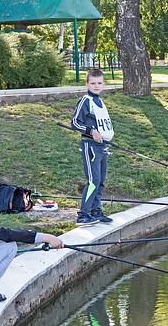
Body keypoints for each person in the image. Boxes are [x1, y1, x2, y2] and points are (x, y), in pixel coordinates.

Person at [71, 69, 114, 226]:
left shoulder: (100, 102)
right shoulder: (86, 101)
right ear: (87, 84)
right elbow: (75, 122)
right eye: (93, 83)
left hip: (102, 147)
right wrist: (91, 131)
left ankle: (96, 210)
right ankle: (83, 214)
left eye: (99, 83)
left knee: (101, 181)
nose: (96, 86)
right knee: (93, 181)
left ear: (104, 84)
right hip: (90, 146)